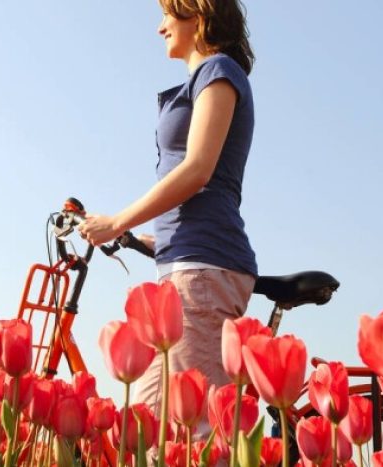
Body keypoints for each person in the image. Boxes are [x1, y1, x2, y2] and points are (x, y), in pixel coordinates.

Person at [78, 0, 257, 441]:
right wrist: (152, 238)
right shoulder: (205, 77)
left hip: (203, 269)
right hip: (187, 263)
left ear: (199, 16)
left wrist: (117, 222)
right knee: (153, 427)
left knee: (194, 431)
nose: (160, 28)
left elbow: (198, 170)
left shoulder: (218, 71)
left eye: (167, 16)